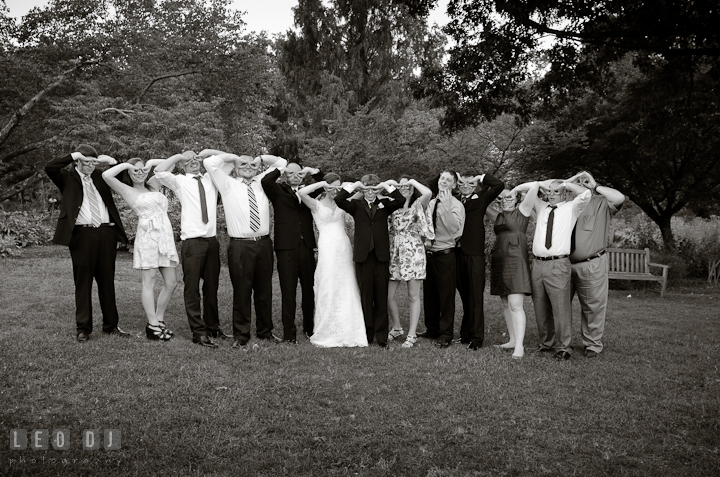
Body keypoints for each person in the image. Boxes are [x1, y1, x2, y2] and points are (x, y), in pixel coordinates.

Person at [202, 151, 286, 350]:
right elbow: (208, 162)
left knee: (265, 290)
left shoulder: (263, 181)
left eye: (252, 165)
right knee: (242, 291)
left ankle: (265, 331)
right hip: (240, 245)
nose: (248, 167)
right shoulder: (227, 183)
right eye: (244, 165)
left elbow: (282, 163)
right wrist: (233, 157)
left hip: (264, 243)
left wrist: (260, 159)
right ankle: (241, 335)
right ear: (236, 167)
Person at [45, 145, 130, 342]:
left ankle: (111, 325)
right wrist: (74, 155)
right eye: (86, 162)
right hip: (82, 234)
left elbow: (125, 179)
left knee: (107, 281)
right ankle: (83, 328)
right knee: (83, 282)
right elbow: (50, 167)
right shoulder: (67, 177)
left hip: (106, 233)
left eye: (93, 162)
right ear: (77, 161)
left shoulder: (101, 176)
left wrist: (112, 162)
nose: (91, 166)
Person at [153, 151, 230, 348]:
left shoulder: (212, 178)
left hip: (212, 242)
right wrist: (179, 156)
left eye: (196, 160)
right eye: (189, 161)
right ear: (182, 165)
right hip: (192, 243)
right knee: (192, 288)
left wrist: (207, 154)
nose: (194, 162)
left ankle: (213, 327)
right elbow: (159, 170)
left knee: (211, 287)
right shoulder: (179, 181)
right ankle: (198, 332)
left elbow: (230, 159)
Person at [102, 157, 179, 341]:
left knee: (171, 282)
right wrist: (128, 165)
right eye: (135, 171)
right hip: (148, 238)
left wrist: (151, 162)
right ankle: (152, 325)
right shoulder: (125, 189)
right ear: (128, 173)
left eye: (142, 169)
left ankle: (159, 319)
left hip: (165, 236)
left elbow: (171, 164)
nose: (140, 173)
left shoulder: (153, 183)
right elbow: (106, 174)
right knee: (149, 281)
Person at [516, 179, 591, 360]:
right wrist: (543, 185)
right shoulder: (541, 206)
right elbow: (526, 188)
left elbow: (586, 194)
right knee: (540, 305)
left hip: (558, 264)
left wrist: (564, 183)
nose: (551, 194)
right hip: (538, 264)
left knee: (560, 306)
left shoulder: (572, 207)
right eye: (549, 192)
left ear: (564, 193)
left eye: (555, 192)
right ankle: (546, 343)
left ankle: (564, 347)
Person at [297, 174, 368, 347]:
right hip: (327, 246)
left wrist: (353, 184)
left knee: (346, 283)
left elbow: (361, 192)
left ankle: (349, 326)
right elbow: (301, 192)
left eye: (337, 187)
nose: (334, 190)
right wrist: (322, 183)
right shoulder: (316, 204)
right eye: (331, 187)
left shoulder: (344, 201)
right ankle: (326, 326)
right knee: (328, 282)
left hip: (343, 246)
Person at [335, 175, 405, 347]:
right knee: (366, 296)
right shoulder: (355, 205)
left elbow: (401, 199)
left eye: (374, 188)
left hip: (380, 256)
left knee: (381, 296)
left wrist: (386, 186)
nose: (371, 191)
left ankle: (381, 336)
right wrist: (356, 186)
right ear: (362, 190)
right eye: (367, 189)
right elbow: (339, 198)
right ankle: (367, 333)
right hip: (363, 256)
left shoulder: (386, 205)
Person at [262, 162, 324, 343]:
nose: (295, 176)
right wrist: (282, 168)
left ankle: (309, 328)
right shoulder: (277, 190)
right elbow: (266, 181)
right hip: (286, 247)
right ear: (286, 176)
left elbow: (324, 182)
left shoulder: (309, 191)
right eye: (292, 173)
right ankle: (289, 334)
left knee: (309, 290)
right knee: (288, 290)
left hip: (306, 246)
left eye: (299, 174)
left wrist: (313, 171)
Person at [568, 171, 625, 358]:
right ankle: (560, 341)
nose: (581, 185)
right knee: (559, 304)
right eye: (579, 183)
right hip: (564, 264)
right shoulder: (566, 204)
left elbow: (619, 197)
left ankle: (592, 344)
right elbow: (550, 185)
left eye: (585, 183)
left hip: (592, 263)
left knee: (593, 306)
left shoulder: (601, 203)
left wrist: (595, 186)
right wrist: (569, 182)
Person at [485, 182, 539, 360]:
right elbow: (482, 202)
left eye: (509, 197)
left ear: (516, 198)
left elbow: (535, 187)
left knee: (516, 304)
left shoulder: (522, 211)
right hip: (500, 259)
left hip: (516, 260)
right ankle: (512, 339)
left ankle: (519, 346)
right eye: (502, 198)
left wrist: (515, 190)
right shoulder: (498, 215)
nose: (505, 200)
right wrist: (488, 186)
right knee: (506, 304)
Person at [455, 171, 504, 350]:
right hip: (455, 252)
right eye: (462, 184)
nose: (465, 187)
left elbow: (499, 185)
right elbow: (434, 185)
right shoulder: (453, 198)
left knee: (475, 296)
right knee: (464, 295)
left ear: (475, 186)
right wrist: (456, 177)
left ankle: (476, 339)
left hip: (474, 253)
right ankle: (465, 334)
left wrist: (479, 177)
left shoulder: (482, 198)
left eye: (470, 184)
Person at [420, 171, 466, 348]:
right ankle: (432, 329)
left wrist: (446, 206)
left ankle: (446, 334)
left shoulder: (456, 205)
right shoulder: (432, 203)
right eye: (442, 179)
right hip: (429, 254)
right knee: (429, 294)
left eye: (449, 180)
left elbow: (455, 230)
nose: (444, 182)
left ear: (454, 185)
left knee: (446, 296)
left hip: (445, 254)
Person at [387, 176, 433, 348]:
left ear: (412, 188)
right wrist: (392, 185)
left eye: (407, 186)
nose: (404, 188)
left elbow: (428, 192)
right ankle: (397, 327)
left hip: (414, 252)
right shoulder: (393, 206)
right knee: (388, 295)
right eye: (401, 185)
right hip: (395, 252)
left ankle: (412, 334)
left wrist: (412, 181)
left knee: (413, 295)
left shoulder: (418, 204)